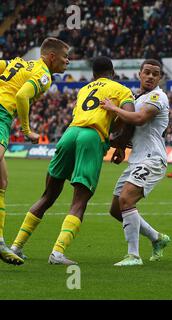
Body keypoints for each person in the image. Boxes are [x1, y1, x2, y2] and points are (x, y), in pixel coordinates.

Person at [10, 56, 135, 265]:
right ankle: (57, 253)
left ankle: (16, 246)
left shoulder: (84, 89)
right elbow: (130, 116)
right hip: (91, 137)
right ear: (112, 72)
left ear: (94, 75)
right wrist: (121, 144)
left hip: (69, 134)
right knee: (79, 200)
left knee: (48, 195)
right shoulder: (121, 89)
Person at [0, 37, 70, 266]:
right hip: (2, 114)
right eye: (64, 57)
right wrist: (28, 130)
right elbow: (22, 96)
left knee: (2, 183)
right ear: (51, 57)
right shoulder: (43, 74)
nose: (67, 62)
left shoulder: (19, 62)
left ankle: (0, 242)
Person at [100, 59, 171, 266]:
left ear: (160, 78)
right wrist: (121, 147)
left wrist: (114, 108)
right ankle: (157, 238)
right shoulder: (137, 97)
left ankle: (134, 256)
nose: (150, 76)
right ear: (139, 74)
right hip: (137, 159)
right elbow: (130, 129)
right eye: (147, 72)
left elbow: (139, 119)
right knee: (116, 209)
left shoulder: (158, 97)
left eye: (155, 74)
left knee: (126, 200)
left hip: (152, 159)